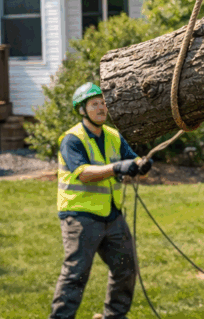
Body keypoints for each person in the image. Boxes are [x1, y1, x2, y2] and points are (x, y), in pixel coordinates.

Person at [49, 82, 152, 319]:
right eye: (94, 104)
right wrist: (118, 167)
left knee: (126, 268)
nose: (101, 108)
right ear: (82, 110)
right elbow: (83, 174)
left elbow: (135, 165)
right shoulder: (72, 140)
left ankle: (115, 316)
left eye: (103, 103)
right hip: (80, 217)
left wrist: (142, 166)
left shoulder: (114, 136)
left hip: (112, 215)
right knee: (76, 274)